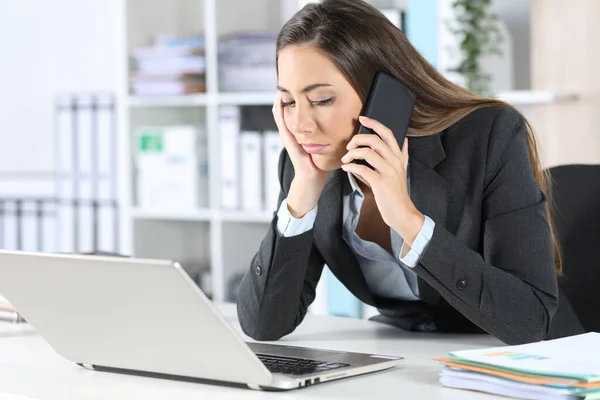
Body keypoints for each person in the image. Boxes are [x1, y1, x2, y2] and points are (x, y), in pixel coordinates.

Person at [237, 0, 565, 345]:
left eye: (321, 100)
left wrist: (409, 220)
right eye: (287, 102)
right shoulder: (305, 166)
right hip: (404, 354)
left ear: (383, 94)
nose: (301, 126)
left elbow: (531, 320)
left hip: (505, 357)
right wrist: (302, 195)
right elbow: (264, 324)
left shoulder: (488, 136)